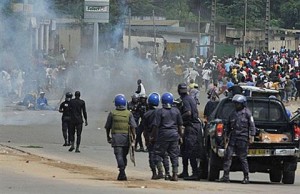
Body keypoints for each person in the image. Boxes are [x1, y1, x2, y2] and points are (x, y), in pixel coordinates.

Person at [219, 94, 256, 184]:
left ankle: (246, 177)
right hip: (233, 138)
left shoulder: (247, 113)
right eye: (235, 104)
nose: (236, 106)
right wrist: (225, 136)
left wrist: (252, 136)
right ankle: (225, 176)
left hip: (243, 139)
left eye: (238, 104)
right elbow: (227, 126)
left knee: (242, 158)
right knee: (228, 156)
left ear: (243, 104)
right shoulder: (233, 113)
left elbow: (252, 125)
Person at [151, 92, 183, 181]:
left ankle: (161, 172)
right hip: (174, 135)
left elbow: (156, 126)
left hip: (163, 135)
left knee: (157, 153)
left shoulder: (159, 111)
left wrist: (153, 137)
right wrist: (180, 136)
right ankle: (175, 174)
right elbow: (180, 125)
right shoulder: (176, 111)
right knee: (174, 155)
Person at [105, 94, 137, 181]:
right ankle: (122, 172)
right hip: (126, 138)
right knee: (124, 155)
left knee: (119, 155)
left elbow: (107, 127)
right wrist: (134, 138)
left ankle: (122, 171)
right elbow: (133, 126)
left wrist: (108, 136)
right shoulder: (129, 113)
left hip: (116, 138)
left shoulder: (112, 113)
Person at [177, 83, 204, 181]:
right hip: (192, 127)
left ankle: (195, 173)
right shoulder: (190, 98)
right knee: (184, 150)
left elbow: (188, 113)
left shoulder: (185, 100)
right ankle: (185, 171)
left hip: (192, 127)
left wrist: (179, 119)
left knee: (191, 151)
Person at [141, 92, 170, 180]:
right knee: (164, 155)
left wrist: (147, 139)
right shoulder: (161, 112)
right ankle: (167, 173)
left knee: (152, 155)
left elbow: (145, 129)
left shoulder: (146, 114)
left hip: (151, 137)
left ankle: (155, 173)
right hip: (161, 136)